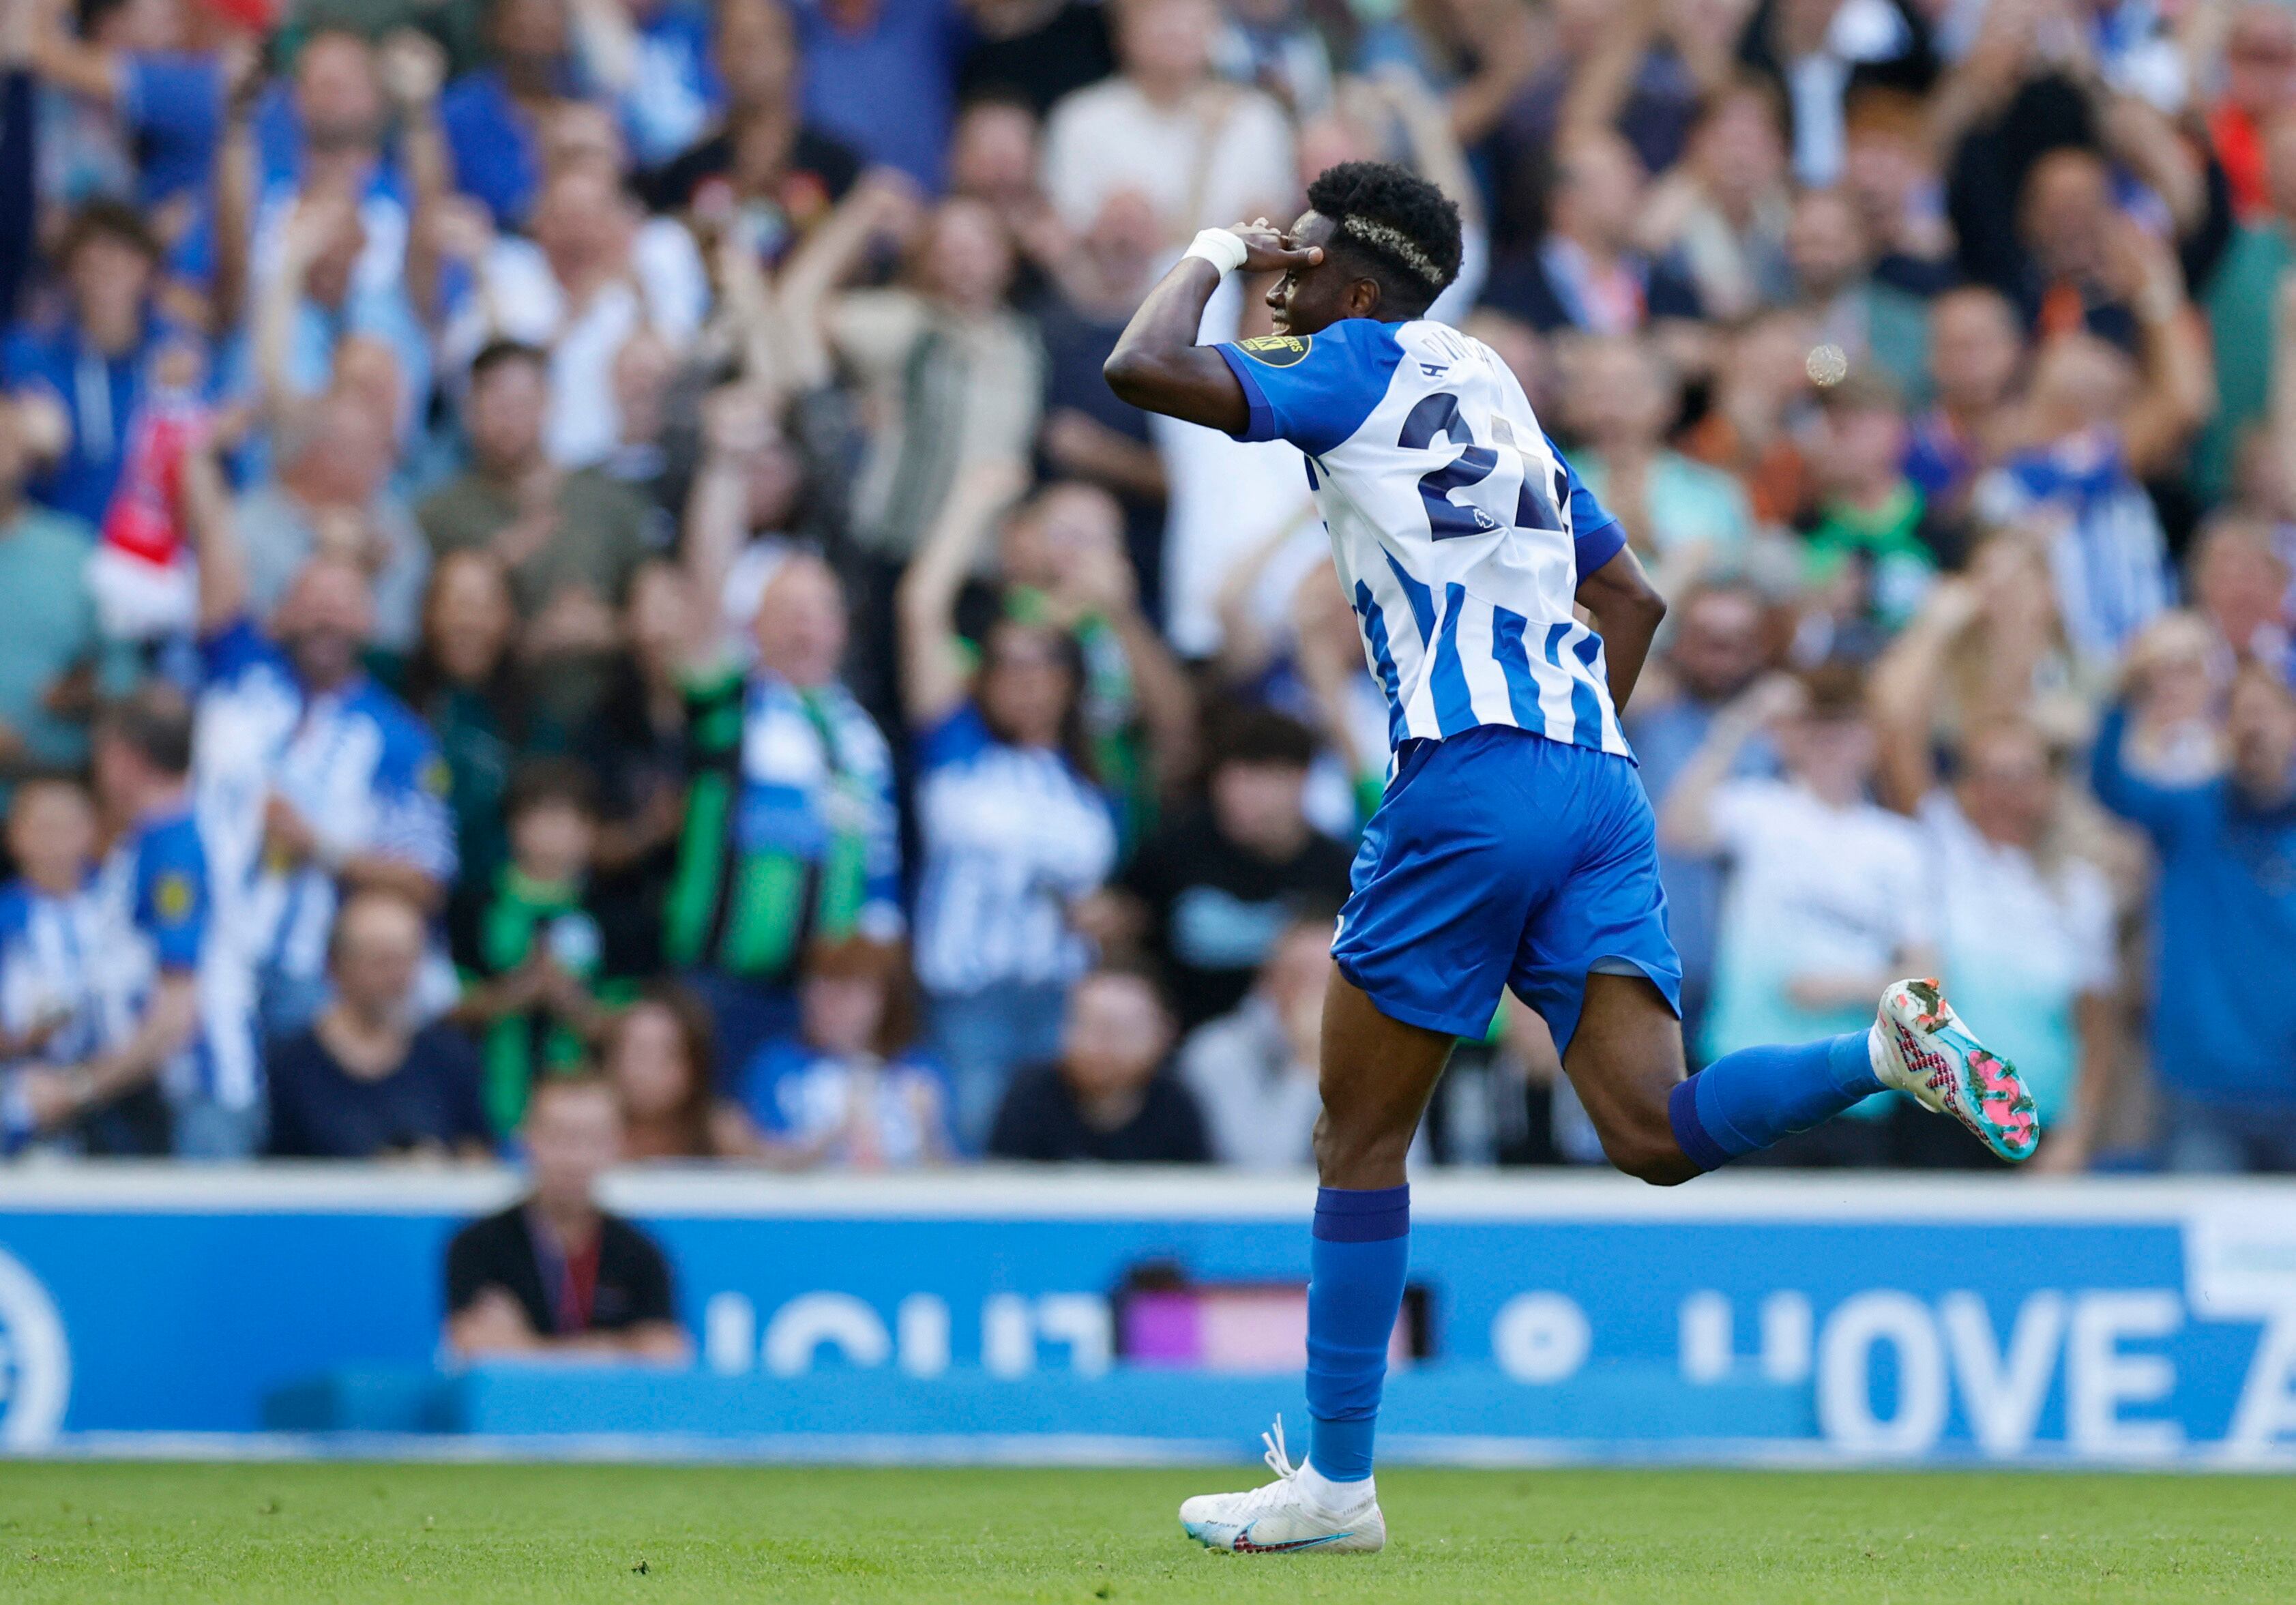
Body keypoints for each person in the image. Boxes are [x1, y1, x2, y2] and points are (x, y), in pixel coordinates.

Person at [1102, 159, 2037, 1552]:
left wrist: (1198, 247)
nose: (1273, 277)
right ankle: (1881, 1060)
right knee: (1653, 1134)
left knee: (1358, 1135)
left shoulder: (1355, 361)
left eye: (1295, 260)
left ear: (1361, 285)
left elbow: (1142, 365)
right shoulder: (1491, 385)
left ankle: (1338, 1484)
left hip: (1469, 773)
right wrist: (1568, 745)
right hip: (1597, 781)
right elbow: (1632, 593)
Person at [183, 442, 458, 1040]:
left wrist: (324, 848)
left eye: (343, 606)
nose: (326, 620)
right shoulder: (239, 671)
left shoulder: (399, 738)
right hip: (202, 953)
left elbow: (426, 878)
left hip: (316, 977)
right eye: (312, 603)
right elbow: (218, 558)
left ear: (370, 622)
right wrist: (203, 457)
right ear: (279, 613)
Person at [896, 460, 1119, 1148]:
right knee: (975, 1160)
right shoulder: (955, 741)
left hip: (1064, 1003)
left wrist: (1105, 916)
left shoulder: (1091, 776)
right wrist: (971, 504)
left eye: (1045, 664)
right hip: (969, 999)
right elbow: (920, 609)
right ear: (982, 677)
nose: (1029, 681)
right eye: (1010, 666)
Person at [2091, 649, 2296, 1172]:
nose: (2256, 727)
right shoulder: (2190, 813)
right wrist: (2127, 693)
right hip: (2202, 1094)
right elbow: (2109, 784)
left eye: (2269, 711)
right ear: (2223, 728)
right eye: (2242, 713)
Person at [89, 683, 261, 1157]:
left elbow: (177, 1010)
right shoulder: (151, 840)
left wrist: (80, 1088)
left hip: (199, 1096)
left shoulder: (176, 847)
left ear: (126, 757)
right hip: (164, 1096)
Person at [1113, 705, 1353, 1031]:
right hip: (1184, 1040)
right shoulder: (1173, 851)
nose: (1240, 795)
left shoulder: (1339, 870)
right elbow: (1126, 932)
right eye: (1230, 778)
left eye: (1258, 779)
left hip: (1296, 1044)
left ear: (1300, 780)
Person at [449, 758, 650, 1138]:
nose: (554, 833)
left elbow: (632, 1026)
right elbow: (445, 1008)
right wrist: (516, 992)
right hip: (485, 1111)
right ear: (513, 826)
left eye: (569, 820)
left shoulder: (618, 915)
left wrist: (568, 1001)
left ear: (591, 831)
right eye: (540, 817)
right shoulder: (472, 907)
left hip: (584, 1120)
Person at [444, 1072, 692, 1359]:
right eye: (560, 1137)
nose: (575, 1157)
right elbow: (472, 1342)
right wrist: (615, 1350)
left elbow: (665, 1351)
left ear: (618, 1145)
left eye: (592, 1139)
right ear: (527, 1138)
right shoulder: (478, 1246)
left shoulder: (640, 1254)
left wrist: (524, 1346)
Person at [266, 889, 492, 1160]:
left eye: (408, 960)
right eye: (381, 961)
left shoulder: (449, 1056)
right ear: (336, 967)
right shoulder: (289, 1065)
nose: (398, 977)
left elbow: (479, 1154)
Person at [737, 937, 954, 1168]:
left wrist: (928, 1130)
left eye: (846, 991)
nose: (828, 1003)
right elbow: (756, 1155)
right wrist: (833, 1134)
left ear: (884, 1000)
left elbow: (960, 1174)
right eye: (818, 988)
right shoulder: (777, 1066)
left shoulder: (922, 1070)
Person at [985, 965, 1207, 1162]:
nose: (1102, 1045)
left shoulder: (1176, 1105)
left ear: (1163, 1033)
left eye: (1120, 1030)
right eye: (1089, 1025)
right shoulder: (1031, 1095)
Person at [1176, 915, 1331, 1168]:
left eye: (1333, 981)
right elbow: (1261, 1169)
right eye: (1302, 978)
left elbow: (1401, 1166)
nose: (1318, 995)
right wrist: (1307, 1064)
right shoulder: (1216, 1051)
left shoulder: (1372, 1050)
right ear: (1268, 981)